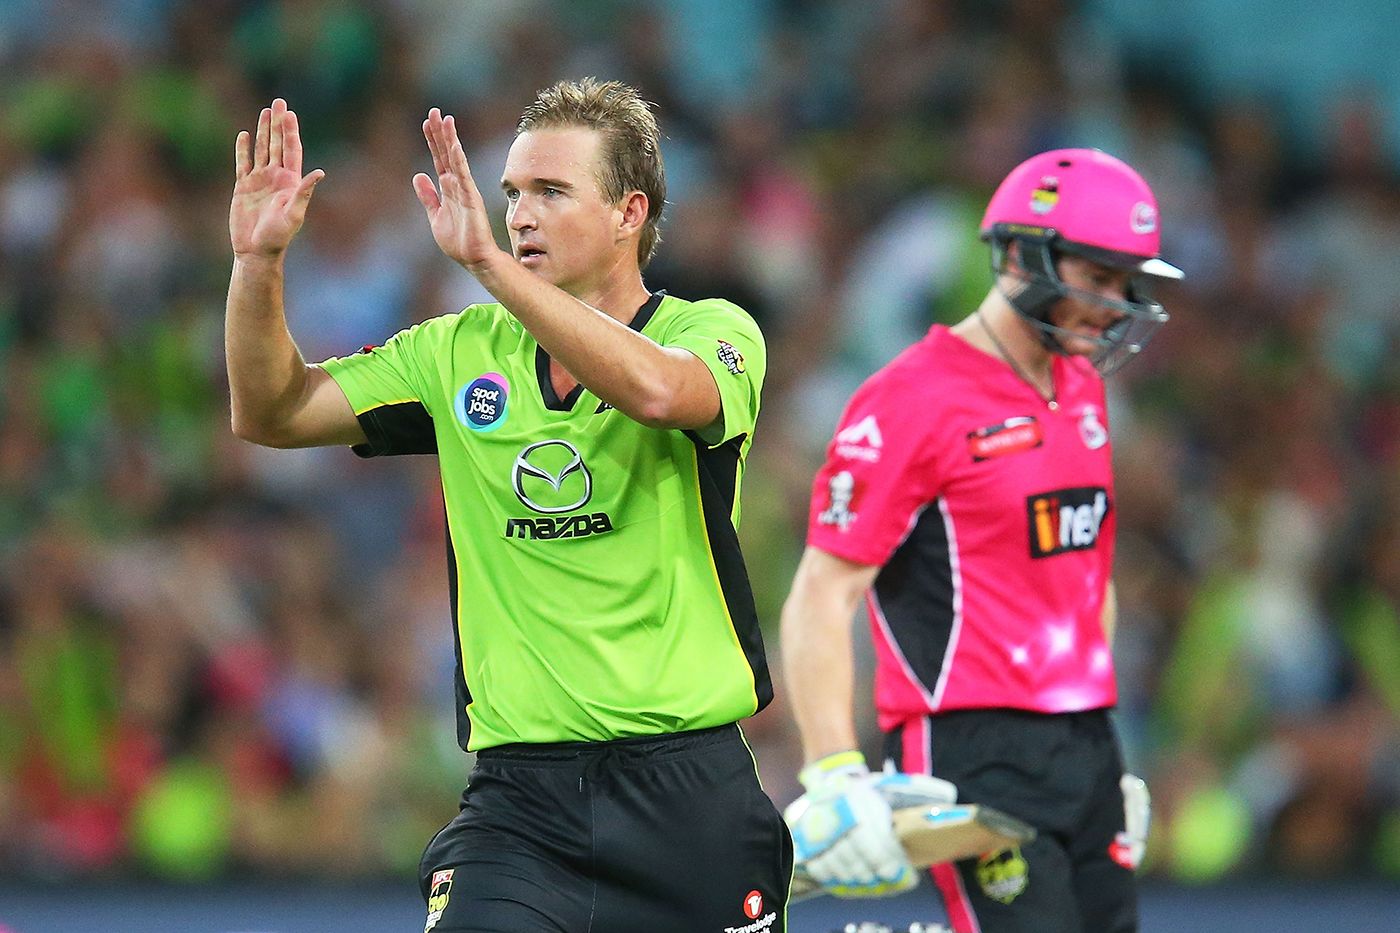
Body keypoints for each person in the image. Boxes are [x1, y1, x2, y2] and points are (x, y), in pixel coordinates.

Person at [225, 80, 791, 933]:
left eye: (551, 192)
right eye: (512, 195)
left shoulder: (711, 330)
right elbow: (272, 412)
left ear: (629, 211)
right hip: (521, 808)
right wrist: (258, 266)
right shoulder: (456, 354)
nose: (520, 214)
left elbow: (656, 391)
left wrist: (487, 267)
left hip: (691, 798)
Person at [779, 149, 1177, 932]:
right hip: (970, 749)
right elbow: (824, 590)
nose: (1115, 302)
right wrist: (833, 773)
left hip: (1084, 744)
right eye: (1096, 276)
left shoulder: (1084, 387)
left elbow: (1086, 576)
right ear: (1024, 254)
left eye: (1126, 281)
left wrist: (1105, 743)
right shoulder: (912, 398)